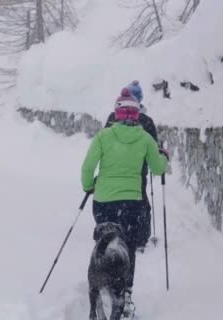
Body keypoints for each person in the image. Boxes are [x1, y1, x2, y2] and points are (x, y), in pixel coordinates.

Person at [81, 88, 168, 313]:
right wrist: (163, 156)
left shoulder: (104, 136)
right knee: (127, 246)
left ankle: (98, 285)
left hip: (103, 201)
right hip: (131, 204)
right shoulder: (146, 138)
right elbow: (158, 169)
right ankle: (125, 294)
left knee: (104, 239)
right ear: (137, 114)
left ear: (116, 114)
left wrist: (88, 186)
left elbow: (88, 167)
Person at [104, 81, 158, 252]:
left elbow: (105, 139)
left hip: (113, 167)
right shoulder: (147, 121)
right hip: (138, 168)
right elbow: (153, 147)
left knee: (115, 200)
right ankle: (139, 238)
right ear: (140, 99)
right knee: (139, 200)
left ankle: (115, 235)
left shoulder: (112, 118)